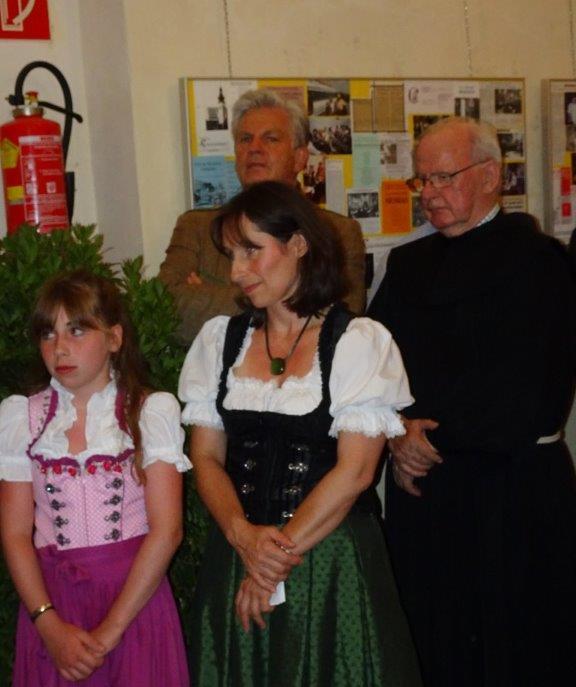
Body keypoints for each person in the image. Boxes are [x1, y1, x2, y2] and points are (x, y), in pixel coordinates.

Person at [179, 181, 422, 687]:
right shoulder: (220, 341)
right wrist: (243, 537)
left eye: (251, 250)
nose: (236, 271)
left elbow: (355, 473)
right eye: (231, 254)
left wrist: (270, 562)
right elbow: (205, 458)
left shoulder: (357, 342)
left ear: (298, 245)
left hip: (328, 561)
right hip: (238, 552)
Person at [368, 117, 576, 687]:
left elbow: (531, 390)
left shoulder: (540, 263)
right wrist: (395, 430)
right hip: (424, 490)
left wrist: (423, 438)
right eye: (421, 180)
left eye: (443, 177)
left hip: (510, 491)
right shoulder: (408, 266)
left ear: (489, 176)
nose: (429, 192)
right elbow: (372, 365)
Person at [0, 271, 190, 686]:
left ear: (114, 338)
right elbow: (14, 534)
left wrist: (110, 632)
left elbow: (168, 530)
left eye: (77, 330)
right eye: (48, 333)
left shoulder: (149, 412)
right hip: (54, 606)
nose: (59, 348)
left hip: (135, 602)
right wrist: (48, 624)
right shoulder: (21, 418)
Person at [159, 88, 366, 343]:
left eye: (270, 139)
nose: (254, 148)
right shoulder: (197, 227)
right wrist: (283, 299)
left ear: (300, 158)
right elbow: (166, 307)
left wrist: (206, 294)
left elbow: (337, 321)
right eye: (245, 139)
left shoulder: (338, 232)